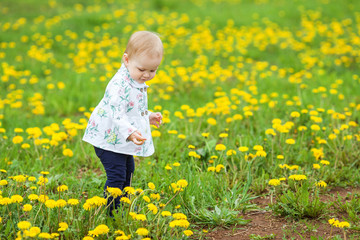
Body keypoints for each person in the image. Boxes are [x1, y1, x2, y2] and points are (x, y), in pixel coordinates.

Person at [82, 31, 163, 216]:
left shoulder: (133, 79)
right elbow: (116, 112)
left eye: (153, 70)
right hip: (108, 139)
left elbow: (131, 108)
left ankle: (122, 205)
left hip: (119, 138)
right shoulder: (119, 84)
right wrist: (130, 131)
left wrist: (147, 116)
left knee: (129, 171)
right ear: (126, 60)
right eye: (142, 69)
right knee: (117, 175)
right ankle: (111, 212)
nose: (147, 75)